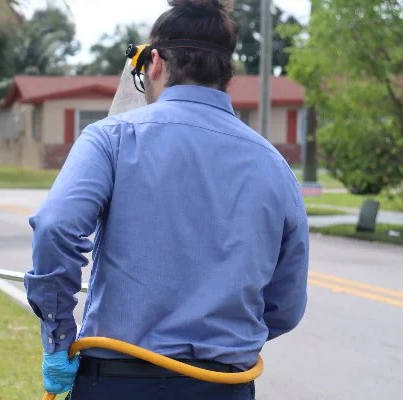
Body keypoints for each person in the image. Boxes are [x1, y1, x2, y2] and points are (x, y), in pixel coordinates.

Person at [23, 0, 310, 399]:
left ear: (154, 63)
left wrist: (58, 337)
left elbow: (56, 227)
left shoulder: (111, 138)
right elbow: (287, 303)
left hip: (118, 382)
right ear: (228, 75)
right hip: (222, 387)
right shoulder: (275, 165)